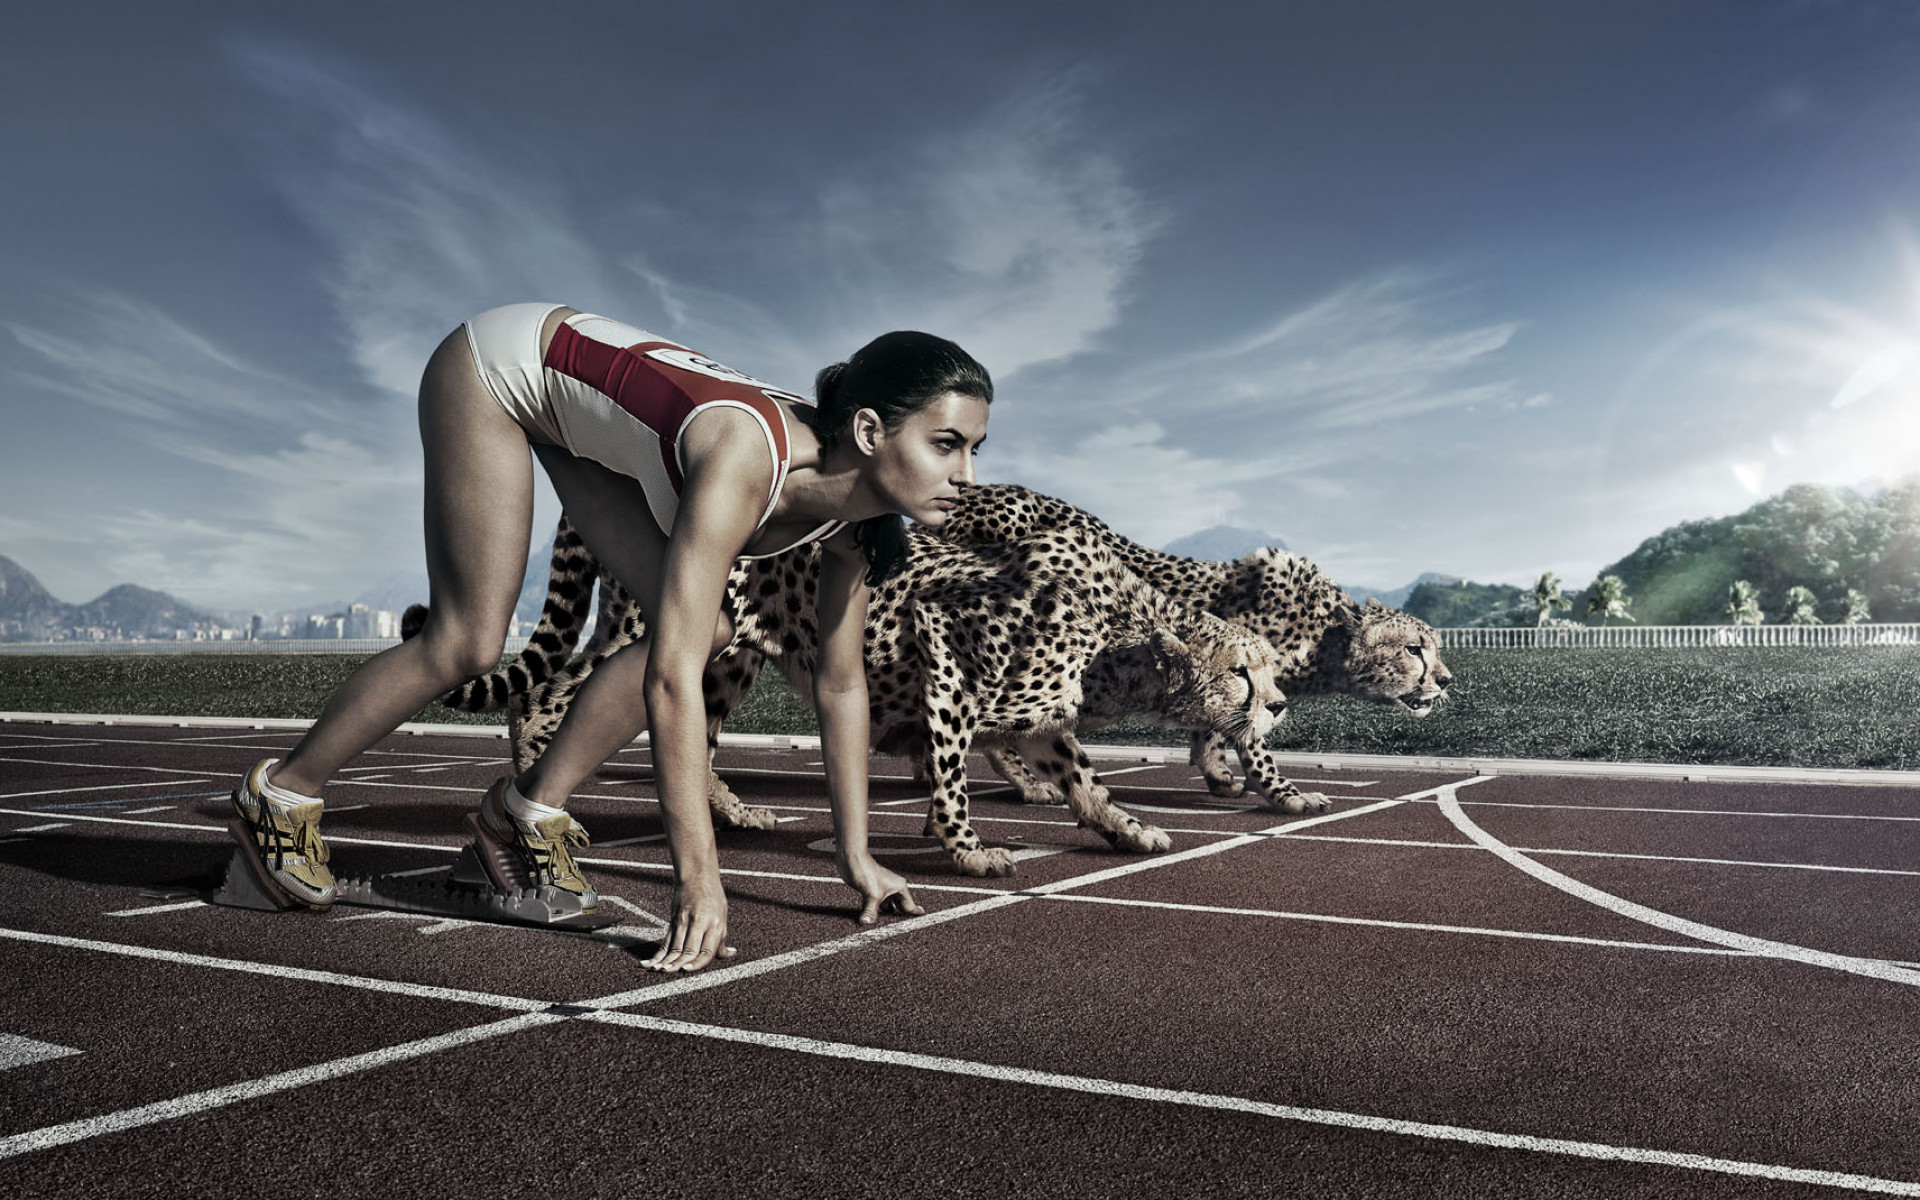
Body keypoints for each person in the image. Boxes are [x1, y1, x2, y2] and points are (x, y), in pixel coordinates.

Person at [226, 302, 992, 973]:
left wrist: (856, 857)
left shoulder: (858, 523)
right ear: (868, 430)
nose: (966, 475)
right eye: (947, 444)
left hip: (575, 411)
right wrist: (698, 880)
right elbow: (671, 680)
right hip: (500, 367)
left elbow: (840, 681)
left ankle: (518, 818)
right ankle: (280, 797)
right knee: (468, 640)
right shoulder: (746, 459)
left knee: (711, 626)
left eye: (973, 450)